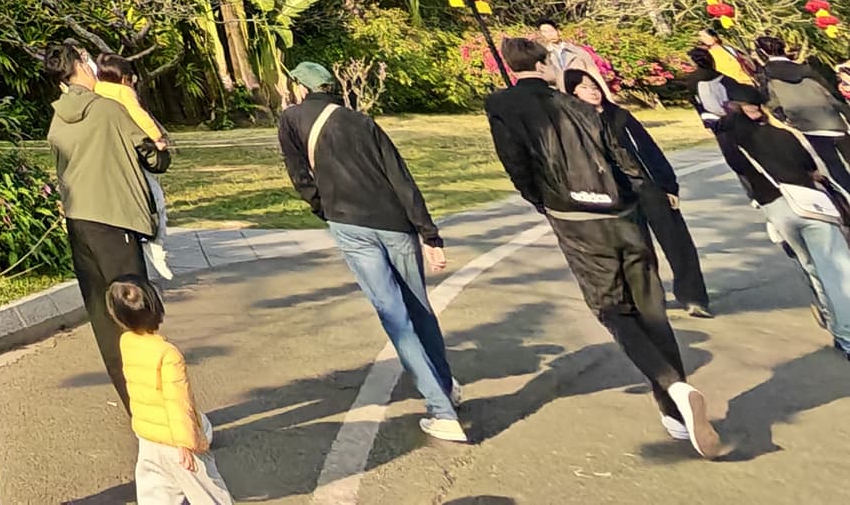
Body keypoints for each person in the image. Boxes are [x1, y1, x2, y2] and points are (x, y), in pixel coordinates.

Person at [486, 36, 720, 455]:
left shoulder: (503, 106)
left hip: (575, 220)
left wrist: (541, 201)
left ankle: (673, 387)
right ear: (541, 66)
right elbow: (620, 157)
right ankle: (674, 409)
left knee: (611, 307)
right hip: (622, 214)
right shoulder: (576, 106)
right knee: (650, 307)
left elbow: (516, 163)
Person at [274, 62, 468, 443]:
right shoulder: (362, 121)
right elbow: (400, 176)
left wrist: (324, 209)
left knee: (394, 315)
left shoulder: (291, 120)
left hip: (349, 225)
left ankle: (441, 410)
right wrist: (429, 233)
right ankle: (445, 388)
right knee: (419, 308)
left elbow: (299, 176)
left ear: (301, 88)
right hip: (396, 223)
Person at [43, 42, 166, 406]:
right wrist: (160, 150)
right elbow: (153, 157)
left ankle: (134, 406)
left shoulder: (57, 119)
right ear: (82, 64)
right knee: (136, 311)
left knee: (103, 318)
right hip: (115, 221)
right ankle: (158, 404)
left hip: (79, 224)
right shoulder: (108, 109)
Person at [712, 82, 850, 355]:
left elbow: (738, 166)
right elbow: (810, 168)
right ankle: (846, 332)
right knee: (836, 268)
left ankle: (835, 324)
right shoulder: (783, 135)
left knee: (811, 267)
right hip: (809, 203)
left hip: (776, 209)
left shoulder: (733, 143)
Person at [564, 67, 709, 315]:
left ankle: (693, 297)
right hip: (615, 195)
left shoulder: (620, 116)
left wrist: (668, 185)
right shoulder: (576, 125)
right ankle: (650, 301)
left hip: (647, 186)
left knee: (677, 242)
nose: (593, 91)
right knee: (638, 250)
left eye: (594, 86)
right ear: (573, 93)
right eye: (585, 88)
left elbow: (649, 150)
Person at [108, 282, 229, 505]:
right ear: (156, 307)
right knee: (209, 496)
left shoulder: (126, 343)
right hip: (177, 443)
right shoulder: (168, 354)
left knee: (157, 496)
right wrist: (185, 443)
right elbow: (177, 402)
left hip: (148, 438)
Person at [92, 52, 175, 281]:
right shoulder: (123, 92)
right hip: (133, 155)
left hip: (107, 158)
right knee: (155, 199)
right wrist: (157, 139)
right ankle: (156, 245)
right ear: (125, 78)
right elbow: (140, 118)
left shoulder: (94, 91)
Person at [748, 34, 850, 200]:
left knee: (834, 165)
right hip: (832, 120)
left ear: (762, 52)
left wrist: (784, 118)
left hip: (808, 126)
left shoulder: (767, 76)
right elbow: (832, 94)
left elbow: (771, 102)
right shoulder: (807, 69)